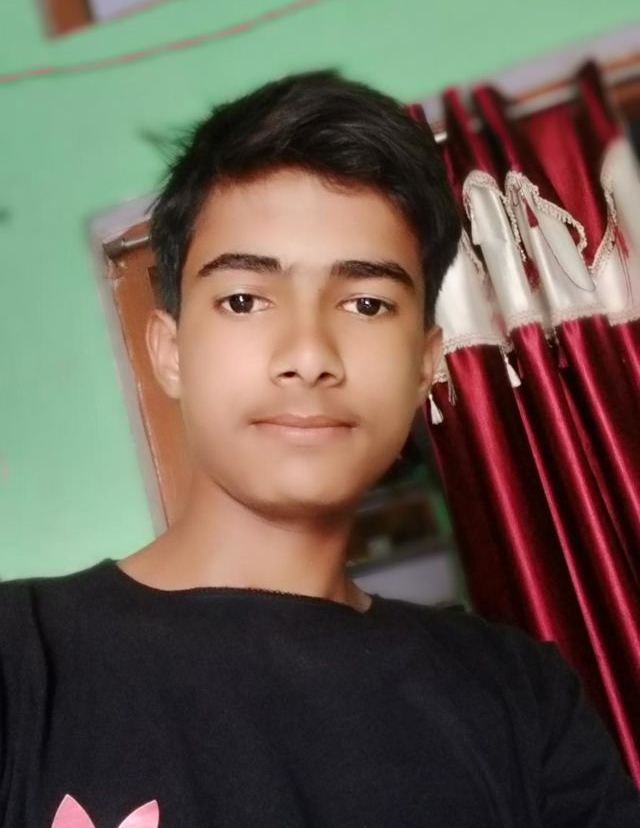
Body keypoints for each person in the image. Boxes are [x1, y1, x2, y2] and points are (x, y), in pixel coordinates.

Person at [1, 70, 638, 828]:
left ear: (427, 363)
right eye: (244, 300)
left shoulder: (523, 701)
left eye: (366, 303)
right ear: (169, 352)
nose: (307, 355)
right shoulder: (21, 658)